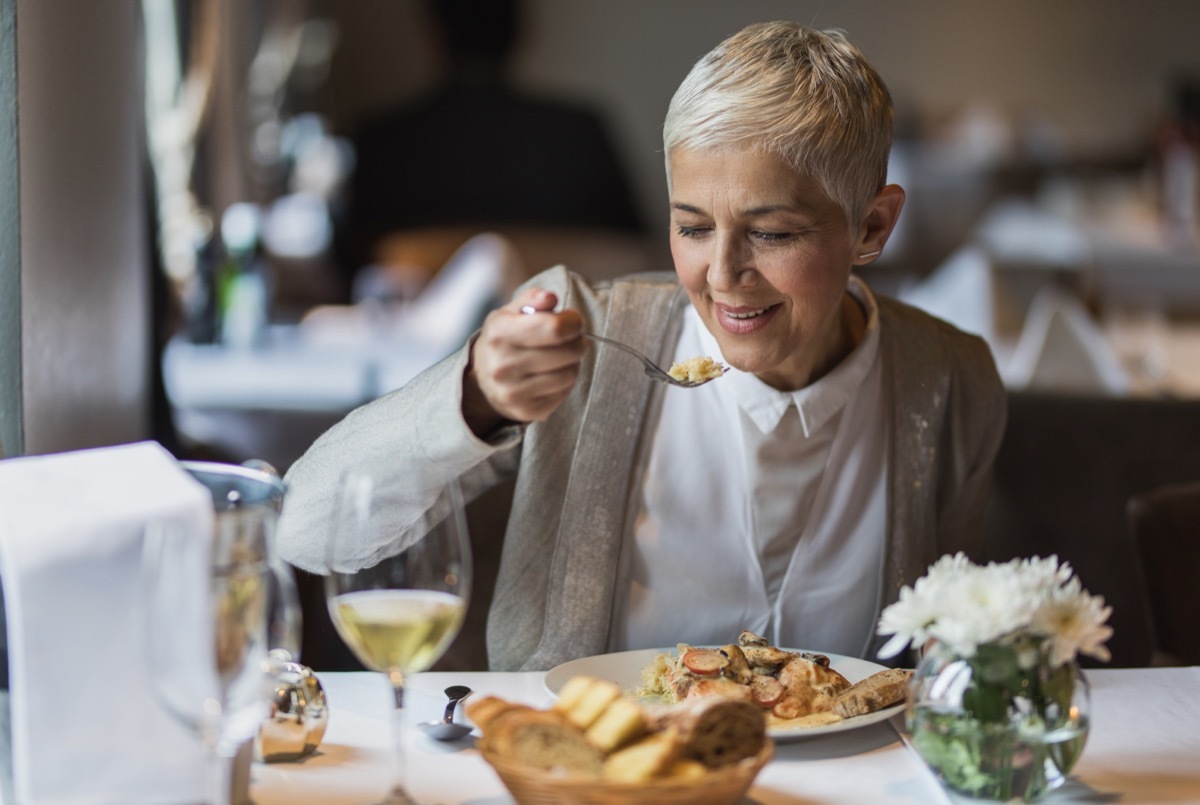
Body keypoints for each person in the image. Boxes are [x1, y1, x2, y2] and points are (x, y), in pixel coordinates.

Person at [278, 21, 1007, 672]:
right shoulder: (588, 341)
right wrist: (473, 398)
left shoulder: (950, 380)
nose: (722, 276)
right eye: (693, 227)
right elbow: (305, 528)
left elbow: (945, 662)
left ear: (873, 227)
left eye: (774, 233)